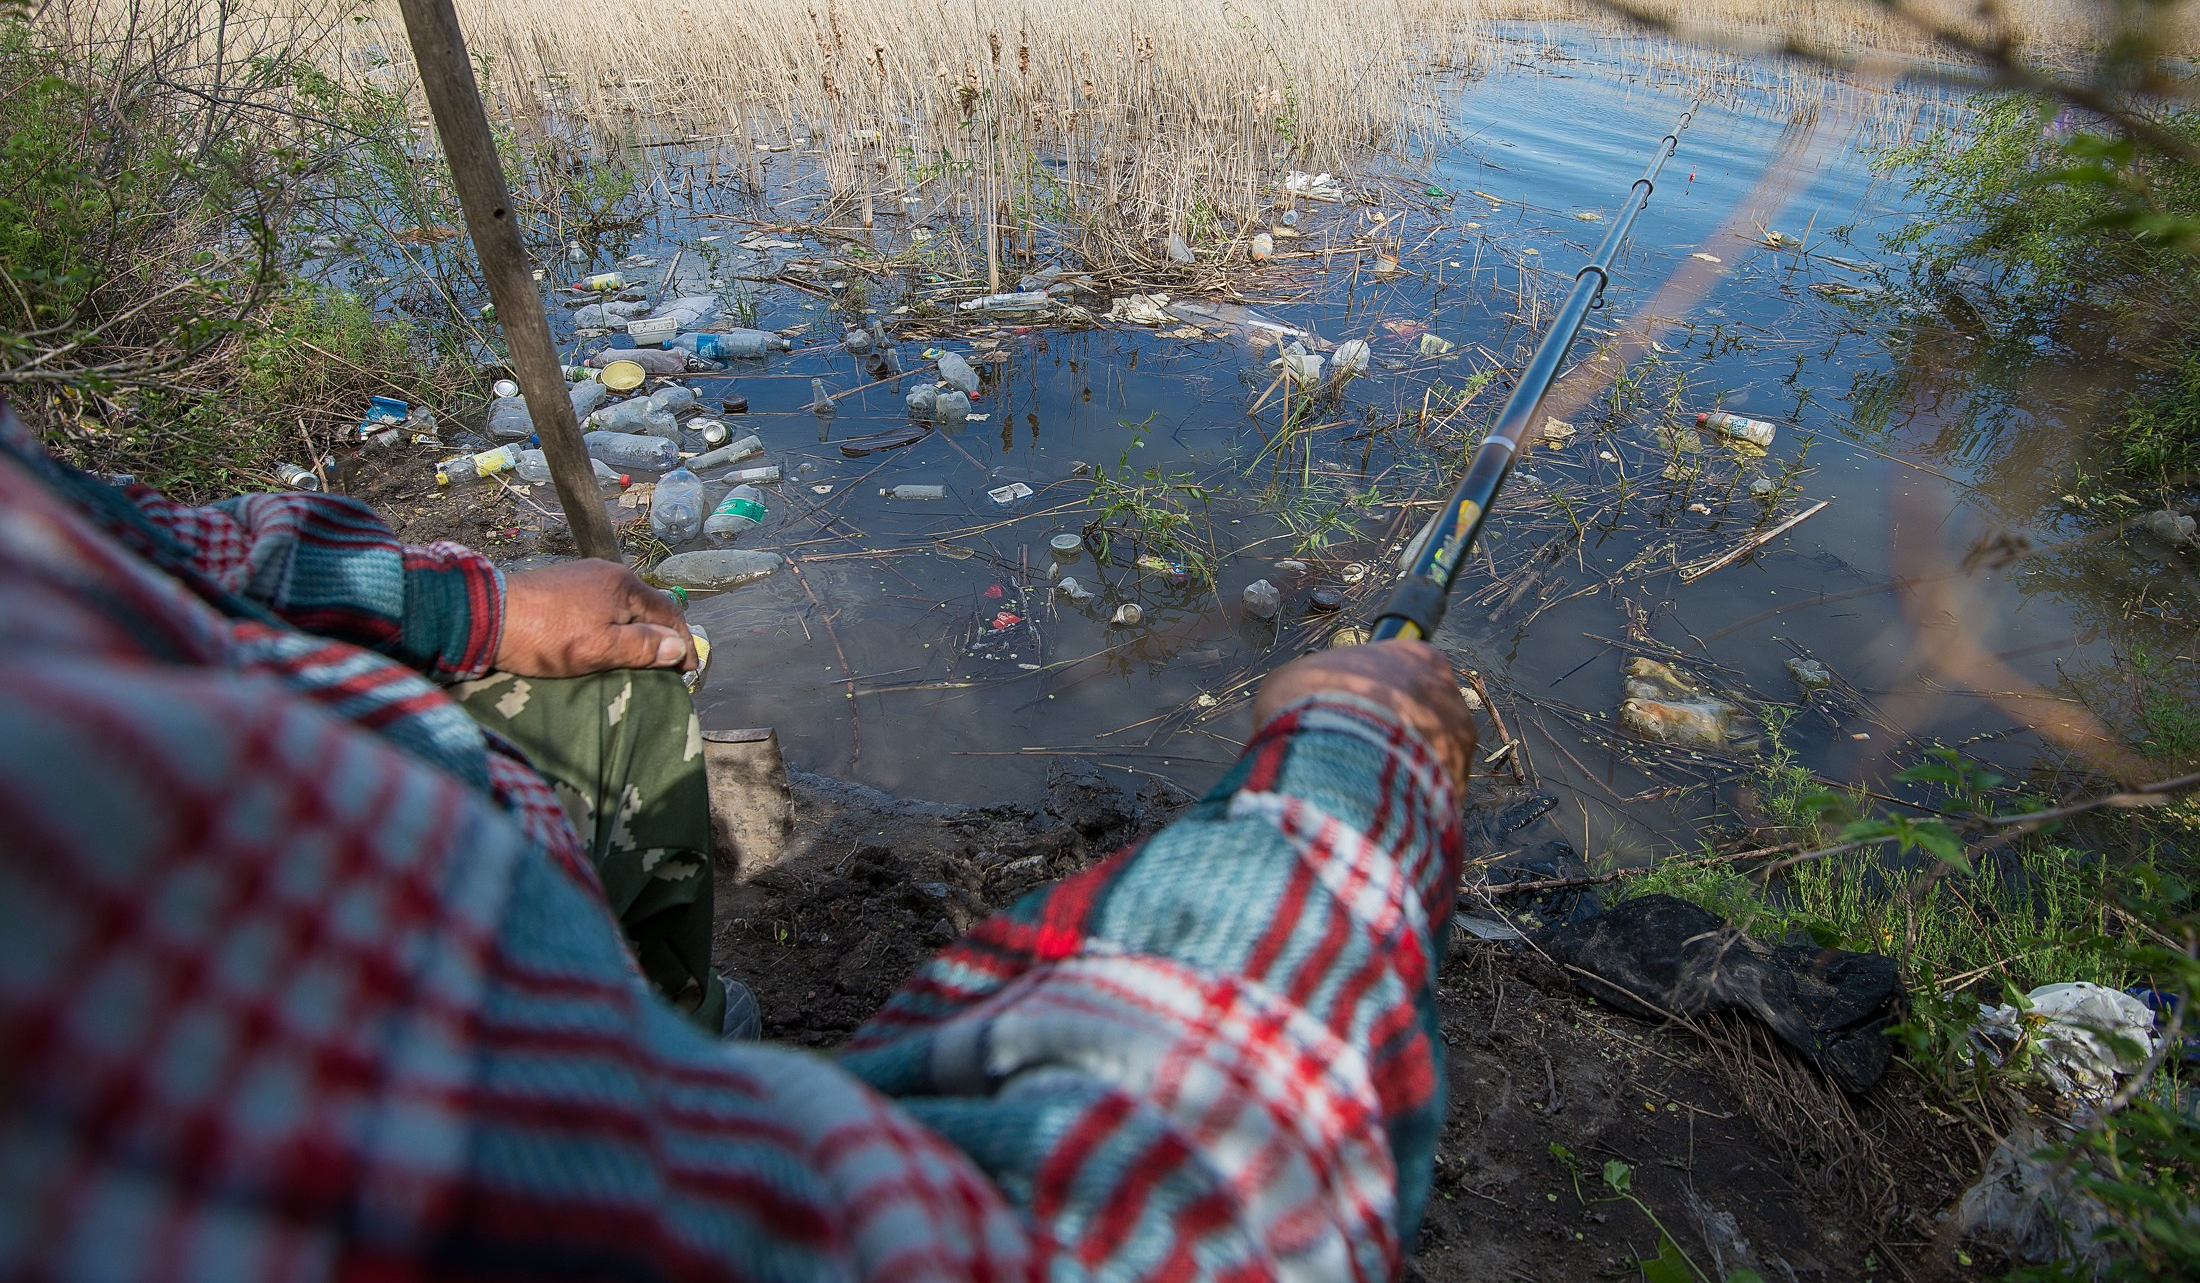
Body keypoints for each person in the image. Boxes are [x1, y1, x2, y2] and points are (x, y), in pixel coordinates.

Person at [0, 402, 1477, 1281]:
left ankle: (684, 1032)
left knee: (642, 677)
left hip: (388, 774)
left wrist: (472, 607)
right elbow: (1169, 1217)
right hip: (422, 971)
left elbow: (130, 542)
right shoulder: (109, 965)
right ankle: (680, 1102)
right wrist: (1358, 767)